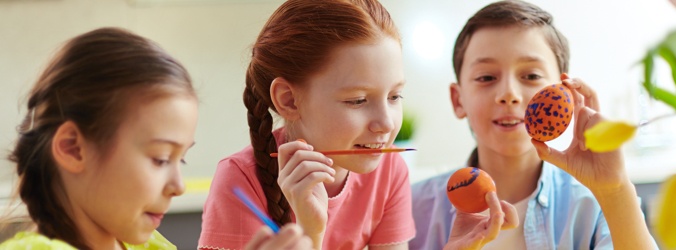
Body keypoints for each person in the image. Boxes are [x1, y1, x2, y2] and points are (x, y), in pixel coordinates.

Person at [199, 0, 518, 249]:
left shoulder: (388, 171)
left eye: (395, 96)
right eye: (357, 100)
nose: (385, 124)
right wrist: (311, 233)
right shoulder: (240, 180)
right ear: (289, 100)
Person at [0, 27, 311, 250]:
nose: (178, 186)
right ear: (72, 148)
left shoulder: (149, 244)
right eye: (161, 158)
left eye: (181, 159)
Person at [410, 1, 658, 249]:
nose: (509, 94)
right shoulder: (411, 207)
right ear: (458, 100)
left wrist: (614, 191)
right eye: (486, 77)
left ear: (567, 93)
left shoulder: (596, 203)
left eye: (531, 76)